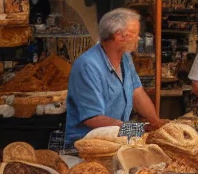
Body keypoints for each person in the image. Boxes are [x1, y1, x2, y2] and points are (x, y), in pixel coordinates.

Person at [66, 7, 164, 144]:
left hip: (115, 141)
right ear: (118, 36)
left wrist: (157, 124)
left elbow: (137, 93)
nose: (138, 38)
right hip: (86, 147)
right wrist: (138, 129)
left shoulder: (126, 58)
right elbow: (93, 118)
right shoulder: (88, 66)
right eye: (134, 33)